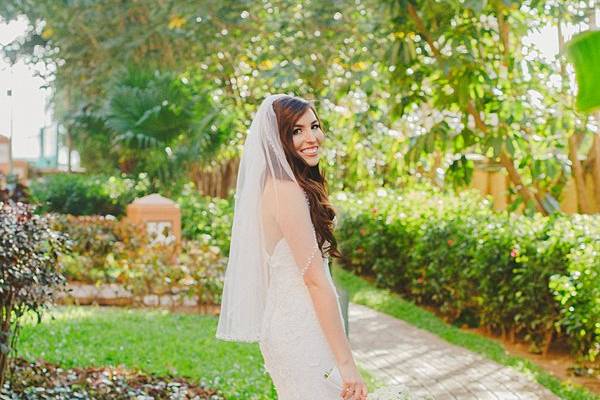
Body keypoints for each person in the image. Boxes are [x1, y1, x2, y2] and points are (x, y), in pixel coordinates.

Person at [216, 94, 368, 400]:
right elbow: (314, 280)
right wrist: (347, 364)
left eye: (314, 126)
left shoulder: (282, 186)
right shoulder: (284, 191)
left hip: (294, 323)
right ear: (279, 139)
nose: (311, 138)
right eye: (296, 131)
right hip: (301, 330)